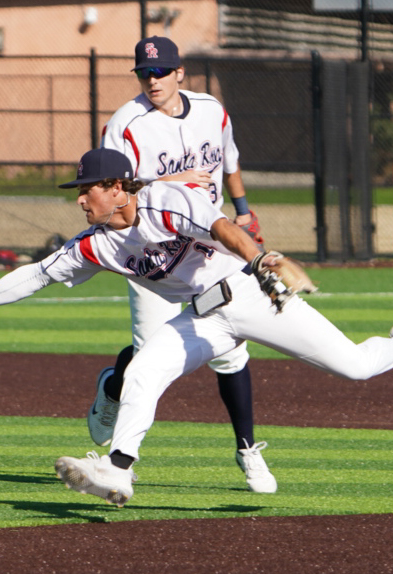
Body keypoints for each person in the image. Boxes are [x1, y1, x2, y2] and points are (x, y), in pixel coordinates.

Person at [0, 148, 393, 508]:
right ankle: (119, 468)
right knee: (144, 371)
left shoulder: (163, 202)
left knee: (354, 367)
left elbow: (223, 228)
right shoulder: (94, 242)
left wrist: (262, 259)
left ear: (116, 187)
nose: (80, 199)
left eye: (87, 190)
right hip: (201, 320)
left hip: (249, 296)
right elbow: (37, 275)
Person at [89, 35, 273, 493]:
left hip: (209, 248)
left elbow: (229, 160)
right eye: (144, 73)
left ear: (179, 73)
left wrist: (243, 209)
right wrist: (170, 180)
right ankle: (113, 388)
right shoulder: (127, 124)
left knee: (231, 350)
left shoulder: (211, 108)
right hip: (151, 250)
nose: (152, 80)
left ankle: (247, 450)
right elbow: (112, 187)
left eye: (160, 71)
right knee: (151, 354)